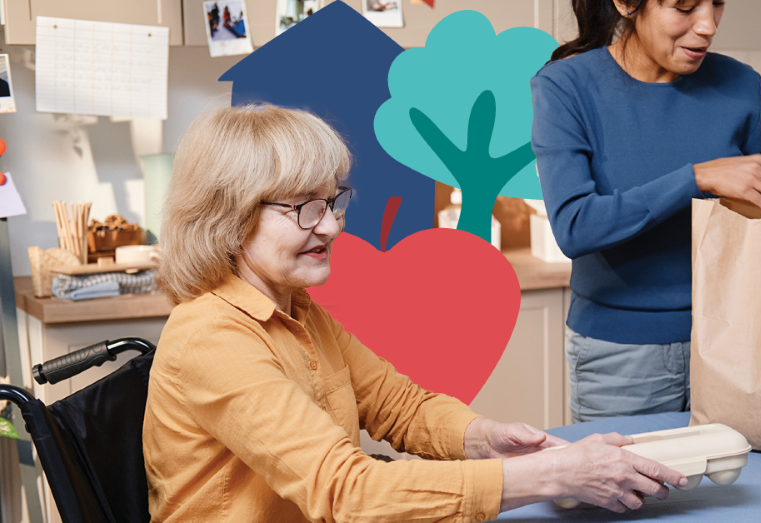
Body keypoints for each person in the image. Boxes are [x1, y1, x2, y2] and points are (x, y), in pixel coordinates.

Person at [143, 104, 690, 522]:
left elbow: (398, 407)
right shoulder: (210, 337)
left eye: (332, 202)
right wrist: (546, 474)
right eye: (303, 208)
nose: (332, 227)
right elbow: (346, 492)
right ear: (231, 219)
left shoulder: (297, 311)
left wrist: (486, 437)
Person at [530, 0, 761, 423]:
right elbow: (575, 226)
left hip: (733, 344)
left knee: (744, 490)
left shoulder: (740, 84)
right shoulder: (566, 86)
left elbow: (749, 228)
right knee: (626, 488)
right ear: (627, 4)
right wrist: (696, 178)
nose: (708, 25)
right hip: (621, 362)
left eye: (718, 4)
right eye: (685, 6)